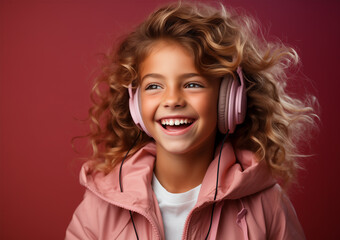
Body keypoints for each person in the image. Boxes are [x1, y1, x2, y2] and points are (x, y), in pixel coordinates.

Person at [66, 1, 317, 239]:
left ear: (229, 100)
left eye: (193, 84)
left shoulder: (267, 206)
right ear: (135, 104)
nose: (172, 99)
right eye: (154, 86)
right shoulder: (100, 207)